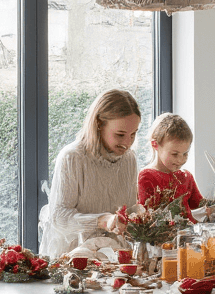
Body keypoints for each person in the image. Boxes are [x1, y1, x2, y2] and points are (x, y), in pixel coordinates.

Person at [39, 89, 141, 257]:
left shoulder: (129, 159)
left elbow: (127, 212)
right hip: (72, 258)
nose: (127, 143)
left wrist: (136, 218)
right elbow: (59, 218)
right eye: (120, 134)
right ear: (99, 124)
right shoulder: (72, 157)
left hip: (112, 257)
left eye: (133, 134)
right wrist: (102, 221)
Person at [137, 113, 204, 222]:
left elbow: (200, 205)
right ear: (155, 145)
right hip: (163, 237)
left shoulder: (186, 177)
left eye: (185, 154)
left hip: (190, 236)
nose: (180, 160)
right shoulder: (147, 176)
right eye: (174, 154)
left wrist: (214, 206)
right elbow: (146, 217)